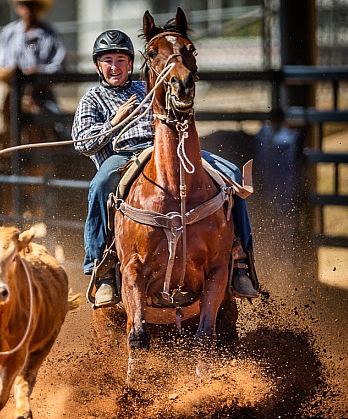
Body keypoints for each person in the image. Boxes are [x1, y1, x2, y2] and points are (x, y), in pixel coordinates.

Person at [72, 30, 258, 308]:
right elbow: (83, 143)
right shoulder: (92, 99)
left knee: (232, 177)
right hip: (122, 157)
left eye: (121, 60)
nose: (114, 67)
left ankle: (240, 257)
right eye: (108, 60)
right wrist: (113, 123)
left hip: (169, 150)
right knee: (100, 185)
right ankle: (101, 268)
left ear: (130, 63)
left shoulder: (147, 87)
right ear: (98, 65)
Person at [0, 0, 65, 114]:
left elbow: (58, 67)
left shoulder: (50, 33)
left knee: (59, 123)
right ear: (18, 8)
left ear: (38, 8)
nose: (28, 9)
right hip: (11, 94)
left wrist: (39, 72)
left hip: (41, 95)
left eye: (32, 5)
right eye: (24, 5)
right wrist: (10, 72)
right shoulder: (9, 32)